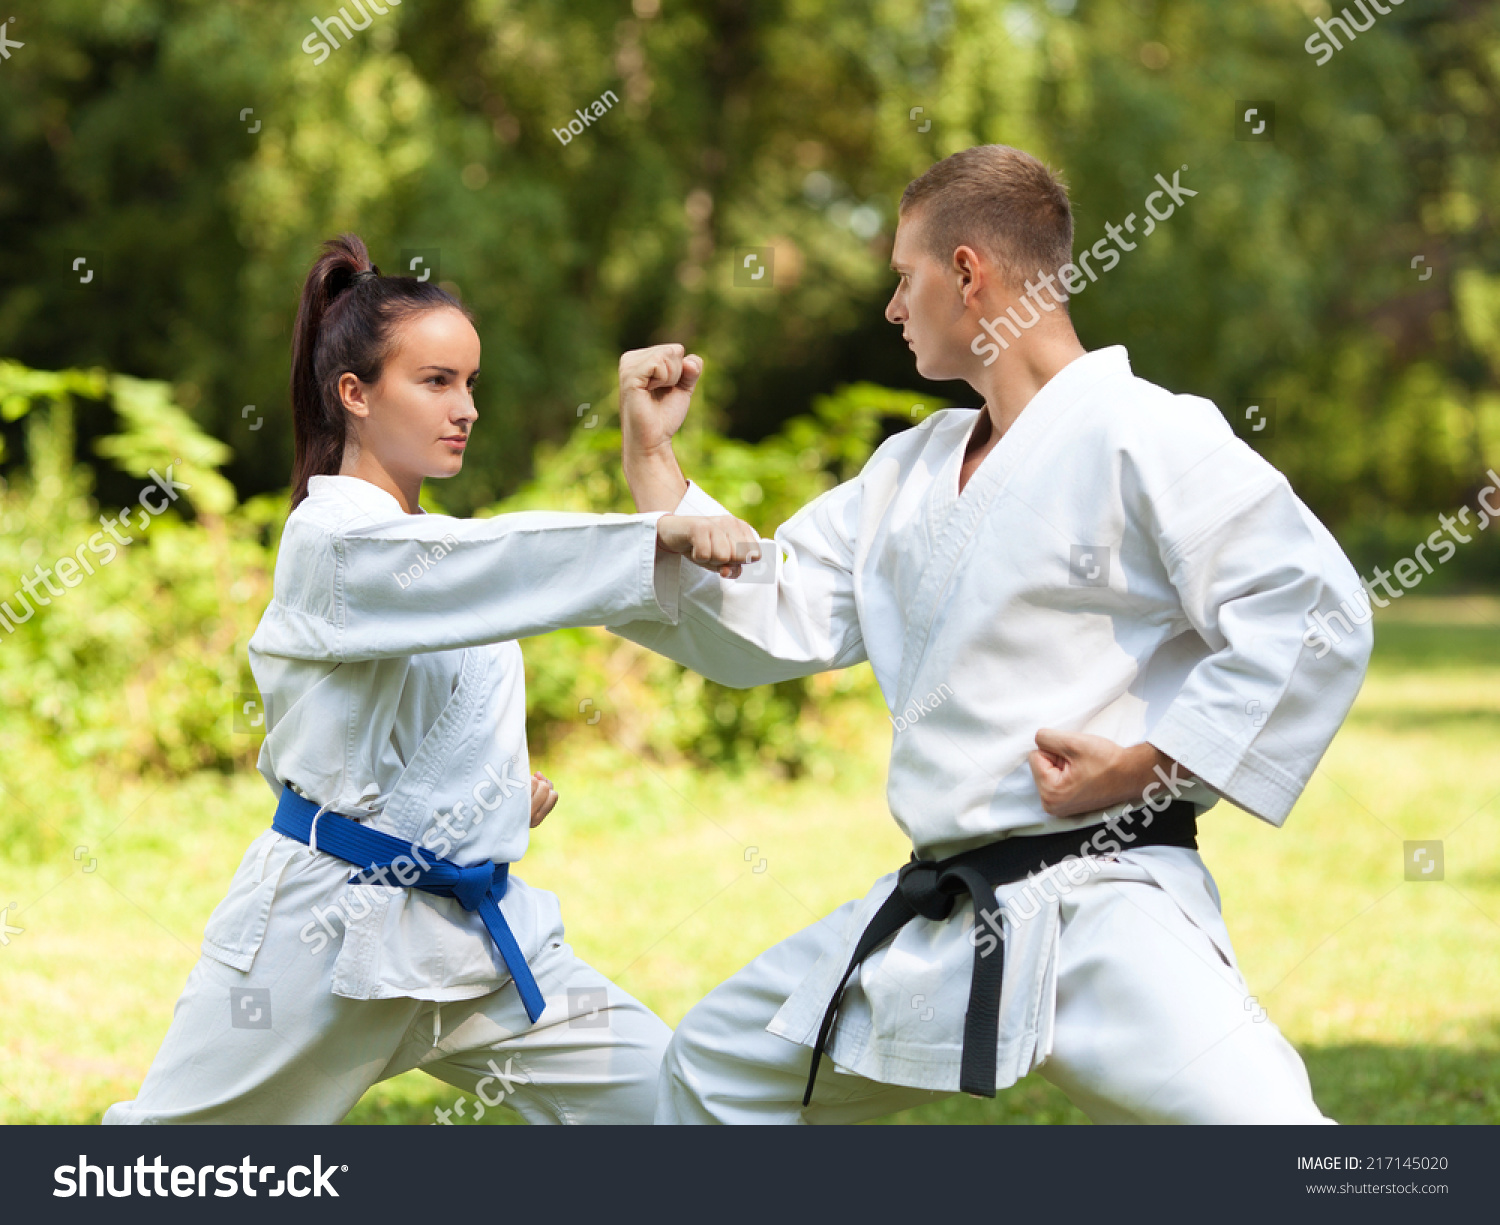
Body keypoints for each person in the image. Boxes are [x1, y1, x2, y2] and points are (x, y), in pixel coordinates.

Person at [610, 145, 1373, 1124]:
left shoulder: (1143, 432)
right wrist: (652, 453)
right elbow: (766, 604)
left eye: (902, 276)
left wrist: (1147, 766)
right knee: (720, 1066)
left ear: (966, 271)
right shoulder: (908, 473)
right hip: (947, 918)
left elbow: (1311, 610)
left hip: (1109, 902)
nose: (892, 309)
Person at [104, 234, 758, 1124]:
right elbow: (493, 565)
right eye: (437, 380)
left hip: (470, 939)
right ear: (355, 394)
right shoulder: (336, 542)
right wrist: (651, 535)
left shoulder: (429, 551)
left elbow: (429, 689)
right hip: (324, 937)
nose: (466, 408)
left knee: (677, 1107)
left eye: (471, 382)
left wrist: (486, 799)